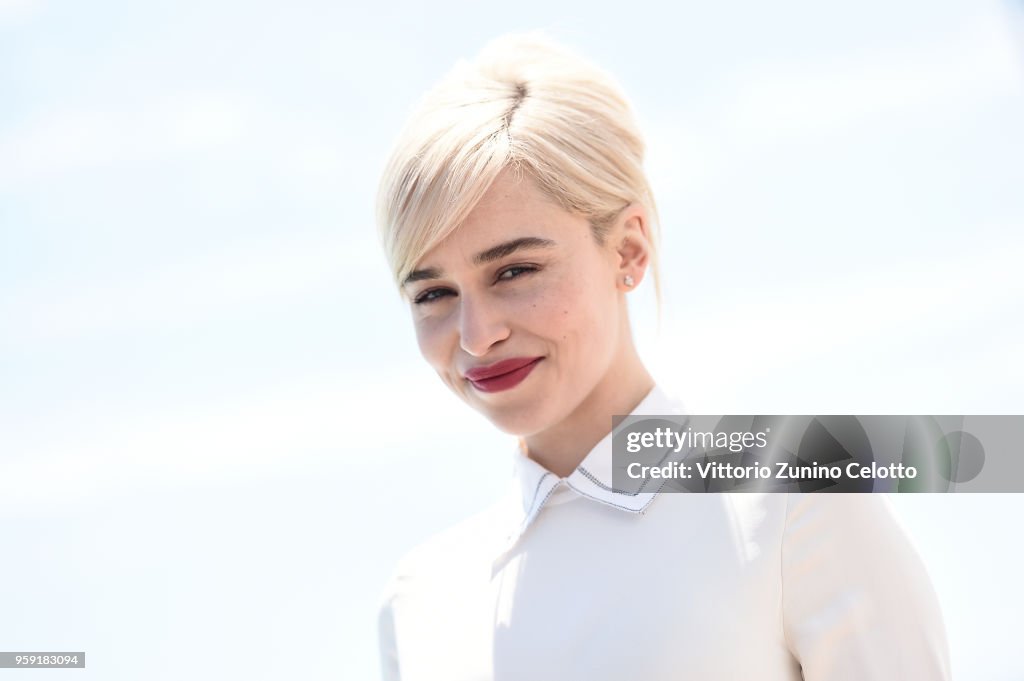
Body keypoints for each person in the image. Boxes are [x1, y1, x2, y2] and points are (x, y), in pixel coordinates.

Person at [373, 33, 951, 681]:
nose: (476, 335)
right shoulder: (420, 600)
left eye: (514, 270)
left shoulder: (797, 500)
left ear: (627, 251)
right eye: (433, 293)